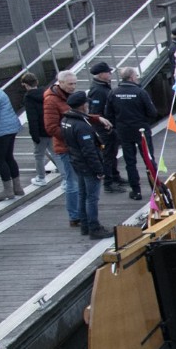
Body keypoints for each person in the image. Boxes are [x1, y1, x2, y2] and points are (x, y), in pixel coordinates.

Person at [60, 91, 109, 239]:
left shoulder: (66, 121)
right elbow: (89, 151)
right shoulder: (82, 126)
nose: (88, 105)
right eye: (86, 103)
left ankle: (85, 226)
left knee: (82, 194)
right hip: (87, 165)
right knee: (92, 198)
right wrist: (99, 170)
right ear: (82, 106)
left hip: (76, 162)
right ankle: (94, 227)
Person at [106, 66, 158, 201]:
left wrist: (118, 125)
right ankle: (156, 189)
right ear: (132, 77)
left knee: (130, 162)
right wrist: (143, 122)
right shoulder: (140, 92)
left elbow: (108, 114)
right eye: (136, 75)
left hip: (124, 131)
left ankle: (136, 191)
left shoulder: (113, 93)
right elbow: (152, 112)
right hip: (141, 130)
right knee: (149, 159)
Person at [43, 71, 80, 226]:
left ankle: (79, 212)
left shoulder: (68, 97)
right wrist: (73, 135)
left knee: (78, 181)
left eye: (75, 83)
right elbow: (51, 128)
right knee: (72, 182)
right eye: (70, 84)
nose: (74, 87)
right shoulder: (52, 101)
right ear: (61, 83)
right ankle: (74, 215)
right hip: (65, 147)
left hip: (76, 146)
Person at [86, 61, 125, 193]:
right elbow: (95, 111)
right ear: (102, 74)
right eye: (108, 72)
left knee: (113, 153)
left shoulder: (103, 86)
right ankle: (108, 183)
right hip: (104, 129)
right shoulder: (97, 90)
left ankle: (115, 175)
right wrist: (104, 124)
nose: (110, 74)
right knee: (107, 155)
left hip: (110, 126)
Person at [19, 73, 53, 188]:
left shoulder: (29, 98)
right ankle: (66, 177)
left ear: (25, 85)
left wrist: (34, 135)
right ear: (36, 82)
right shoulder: (47, 92)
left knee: (39, 155)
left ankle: (41, 177)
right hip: (51, 127)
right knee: (57, 154)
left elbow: (32, 118)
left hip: (40, 131)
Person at [0, 82, 22, 201]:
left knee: (0, 159)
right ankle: (17, 187)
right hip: (11, 128)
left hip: (1, 131)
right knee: (9, 157)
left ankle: (8, 190)